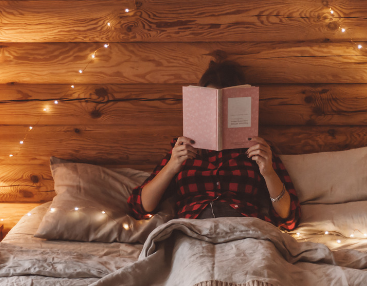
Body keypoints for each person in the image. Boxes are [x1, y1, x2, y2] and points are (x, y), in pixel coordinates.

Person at [127, 60, 300, 230]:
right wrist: (172, 166)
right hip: (193, 227)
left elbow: (289, 218)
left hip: (244, 227)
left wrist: (268, 172)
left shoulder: (258, 150)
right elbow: (140, 207)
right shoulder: (182, 149)